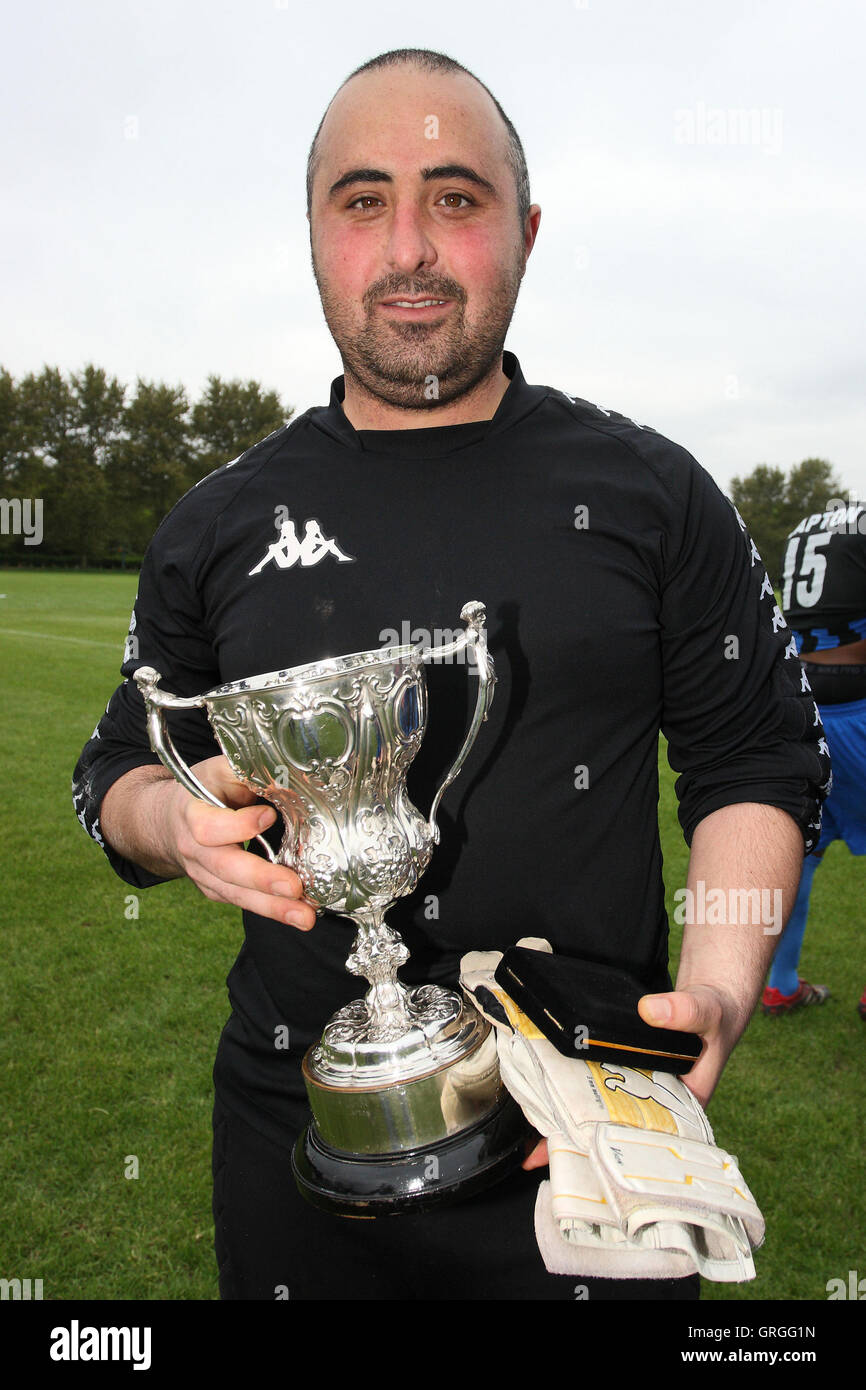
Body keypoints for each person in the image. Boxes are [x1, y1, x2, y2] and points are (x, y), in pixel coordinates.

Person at [72, 48, 830, 1300]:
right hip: (297, 1131)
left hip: (589, 1130)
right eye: (363, 200)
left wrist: (715, 989)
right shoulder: (217, 521)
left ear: (525, 231)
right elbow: (112, 767)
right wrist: (174, 821)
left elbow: (754, 755)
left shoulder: (651, 493)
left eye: (456, 198)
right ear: (314, 233)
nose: (410, 247)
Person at [762, 500, 866, 1018]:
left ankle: (780, 984)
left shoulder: (806, 525)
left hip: (803, 706)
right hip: (859, 705)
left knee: (801, 853)